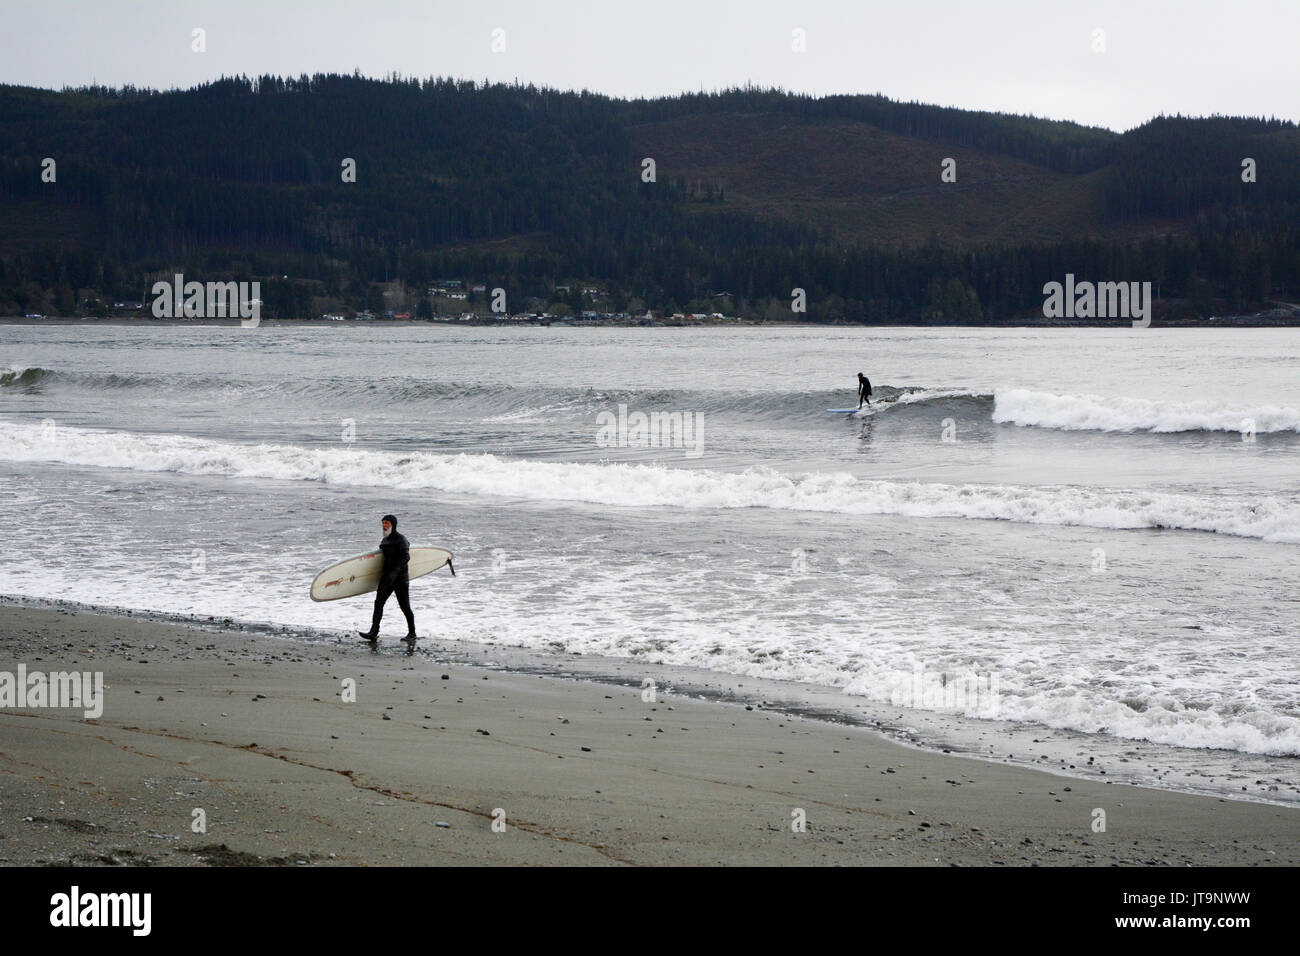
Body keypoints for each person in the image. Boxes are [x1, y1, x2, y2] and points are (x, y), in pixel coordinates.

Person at [359, 514, 417, 645]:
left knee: (405, 606)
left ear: (393, 525)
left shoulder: (401, 539)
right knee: (378, 603)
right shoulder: (384, 541)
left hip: (400, 579)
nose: (384, 525)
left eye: (387, 523)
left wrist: (395, 571)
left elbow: (405, 557)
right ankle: (374, 632)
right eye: (383, 523)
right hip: (386, 578)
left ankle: (412, 633)